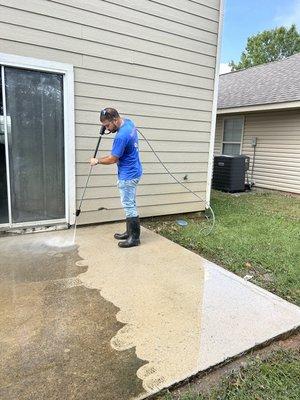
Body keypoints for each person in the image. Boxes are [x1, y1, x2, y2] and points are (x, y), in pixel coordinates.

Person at [90, 108, 142, 248]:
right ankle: (129, 232)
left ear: (115, 120)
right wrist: (106, 124)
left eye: (107, 125)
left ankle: (134, 238)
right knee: (130, 202)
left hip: (128, 175)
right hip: (135, 169)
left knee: (128, 204)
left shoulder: (121, 136)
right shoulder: (129, 123)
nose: (106, 128)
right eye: (104, 126)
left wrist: (97, 161)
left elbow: (113, 159)